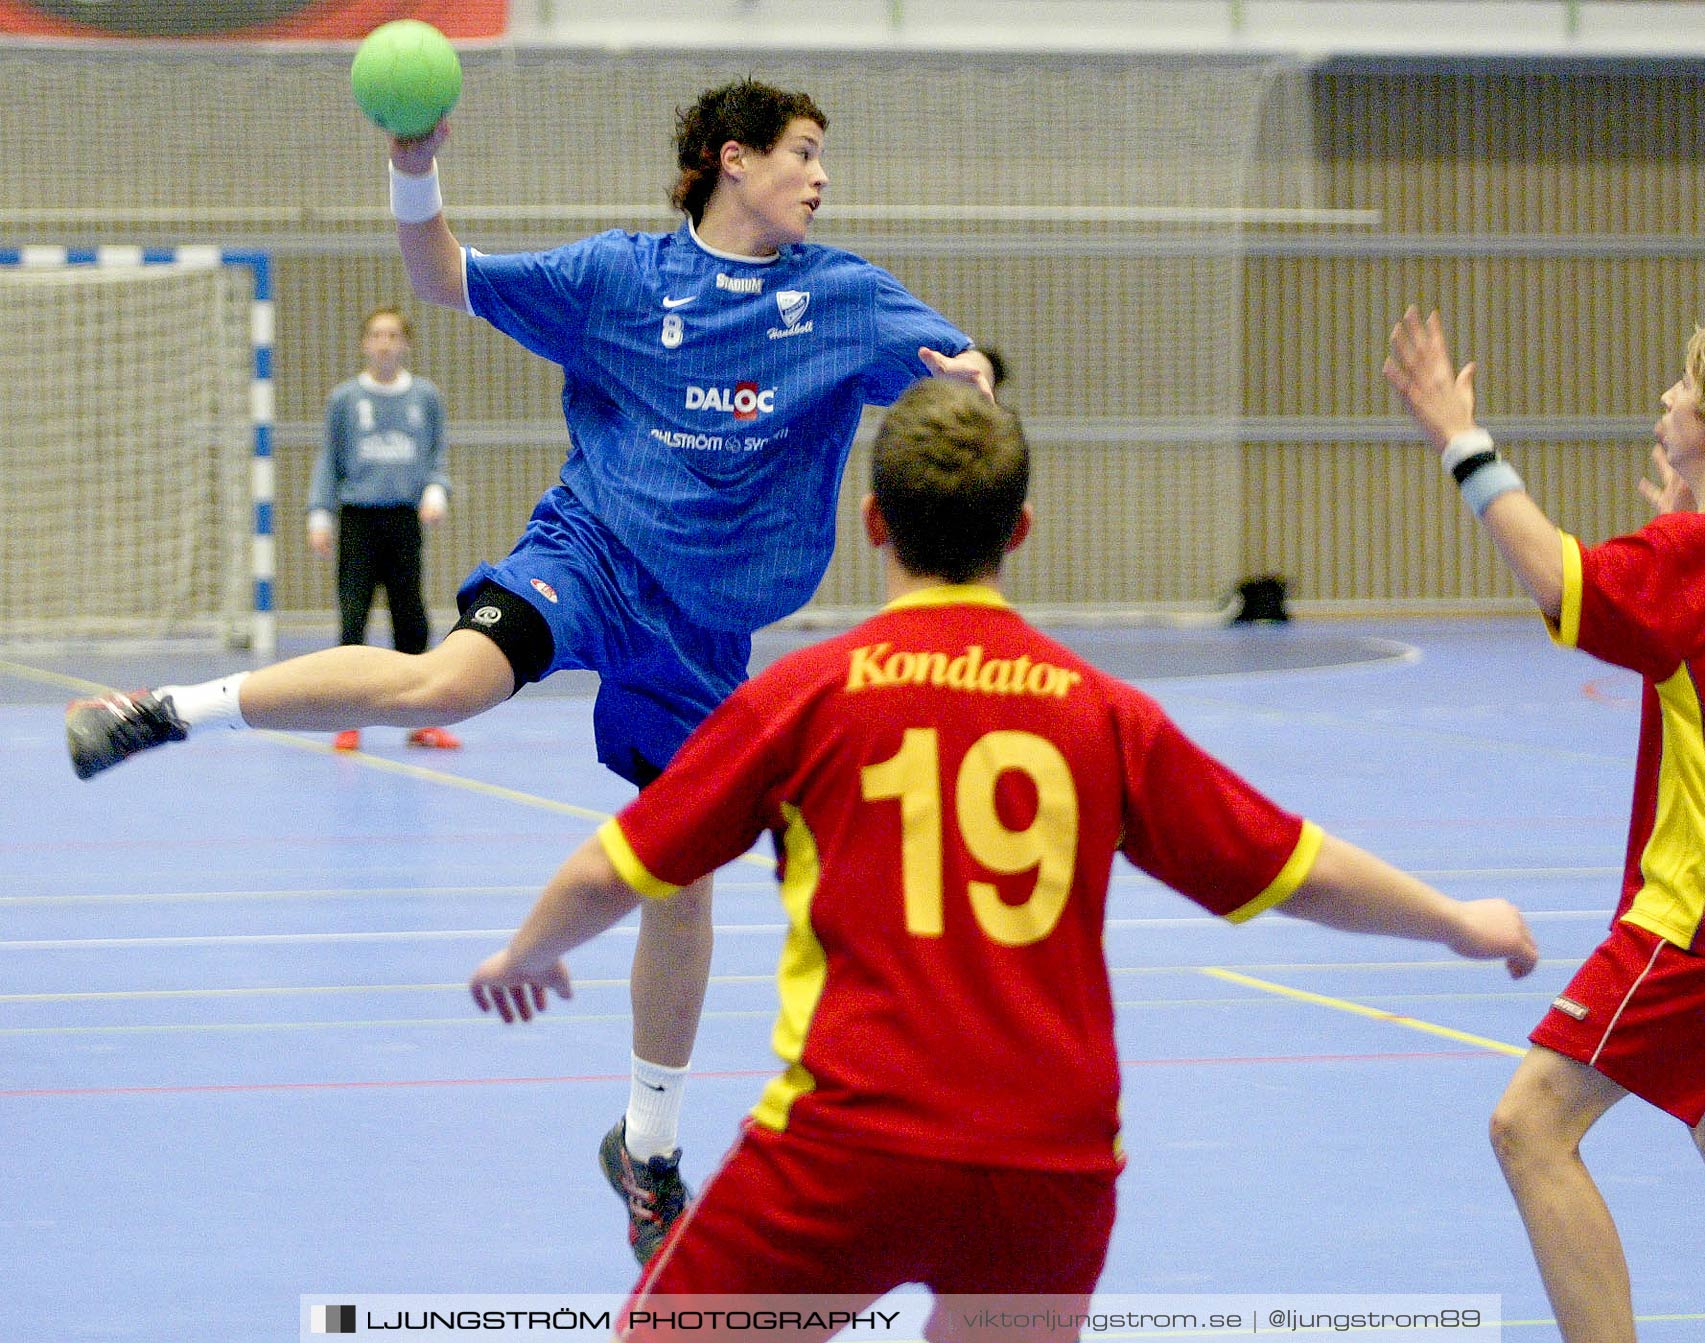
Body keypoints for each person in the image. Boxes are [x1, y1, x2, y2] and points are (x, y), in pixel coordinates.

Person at [62, 77, 996, 1263]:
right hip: (590, 556)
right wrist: (416, 164)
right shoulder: (619, 280)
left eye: (824, 156)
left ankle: (645, 1147)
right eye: (802, 152)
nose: (821, 175)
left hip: (703, 637)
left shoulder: (844, 299)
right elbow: (442, 272)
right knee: (445, 683)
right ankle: (166, 711)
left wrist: (967, 393)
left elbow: (961, 369)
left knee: (683, 873)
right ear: (731, 159)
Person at [467, 378, 1539, 1337]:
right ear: (1020, 529)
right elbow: (1292, 865)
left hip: (850, 1144)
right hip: (1052, 1165)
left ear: (874, 523)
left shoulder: (807, 698)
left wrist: (527, 950)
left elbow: (622, 864)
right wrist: (1455, 918)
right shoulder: (1101, 712)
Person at [1384, 306, 1705, 1343]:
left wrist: (1460, 441)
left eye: (1683, 387)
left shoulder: (1700, 555)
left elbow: (1555, 574)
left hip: (1703, 912)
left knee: (1530, 1123)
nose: (1665, 398)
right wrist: (1687, 521)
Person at [308, 306, 460, 754]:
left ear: (406, 343)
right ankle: (348, 718)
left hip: (403, 520)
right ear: (364, 343)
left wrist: (436, 490)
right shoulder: (345, 400)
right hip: (359, 519)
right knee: (353, 617)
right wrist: (320, 514)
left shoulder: (425, 398)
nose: (385, 344)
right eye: (376, 335)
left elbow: (437, 455)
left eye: (393, 335)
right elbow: (329, 462)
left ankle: (422, 720)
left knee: (411, 618)